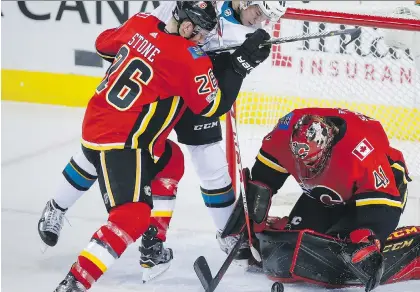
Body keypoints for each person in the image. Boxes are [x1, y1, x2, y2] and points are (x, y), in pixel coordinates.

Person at [47, 1, 272, 290]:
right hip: (124, 140)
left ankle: (153, 245)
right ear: (188, 27)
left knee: (171, 159)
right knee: (132, 215)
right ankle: (75, 283)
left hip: (106, 120)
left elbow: (104, 45)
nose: (203, 40)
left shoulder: (141, 23)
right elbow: (214, 105)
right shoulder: (188, 58)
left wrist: (146, 47)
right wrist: (240, 66)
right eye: (201, 34)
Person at [221, 107, 420, 290]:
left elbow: (381, 207)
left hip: (378, 196)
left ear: (327, 145)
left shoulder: (361, 153)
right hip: (324, 195)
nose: (304, 167)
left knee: (349, 253)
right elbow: (262, 181)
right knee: (295, 247)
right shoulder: (284, 134)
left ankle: (419, 246)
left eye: (312, 161)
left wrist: (367, 237)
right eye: (299, 159)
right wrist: (250, 219)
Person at [151, 0, 288, 257]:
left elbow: (224, 83)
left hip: (198, 93)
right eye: (258, 12)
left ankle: (229, 233)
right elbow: (154, 27)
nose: (259, 20)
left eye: (266, 17)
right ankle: (57, 206)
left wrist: (242, 64)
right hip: (159, 83)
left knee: (212, 166)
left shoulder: (250, 35)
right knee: (118, 147)